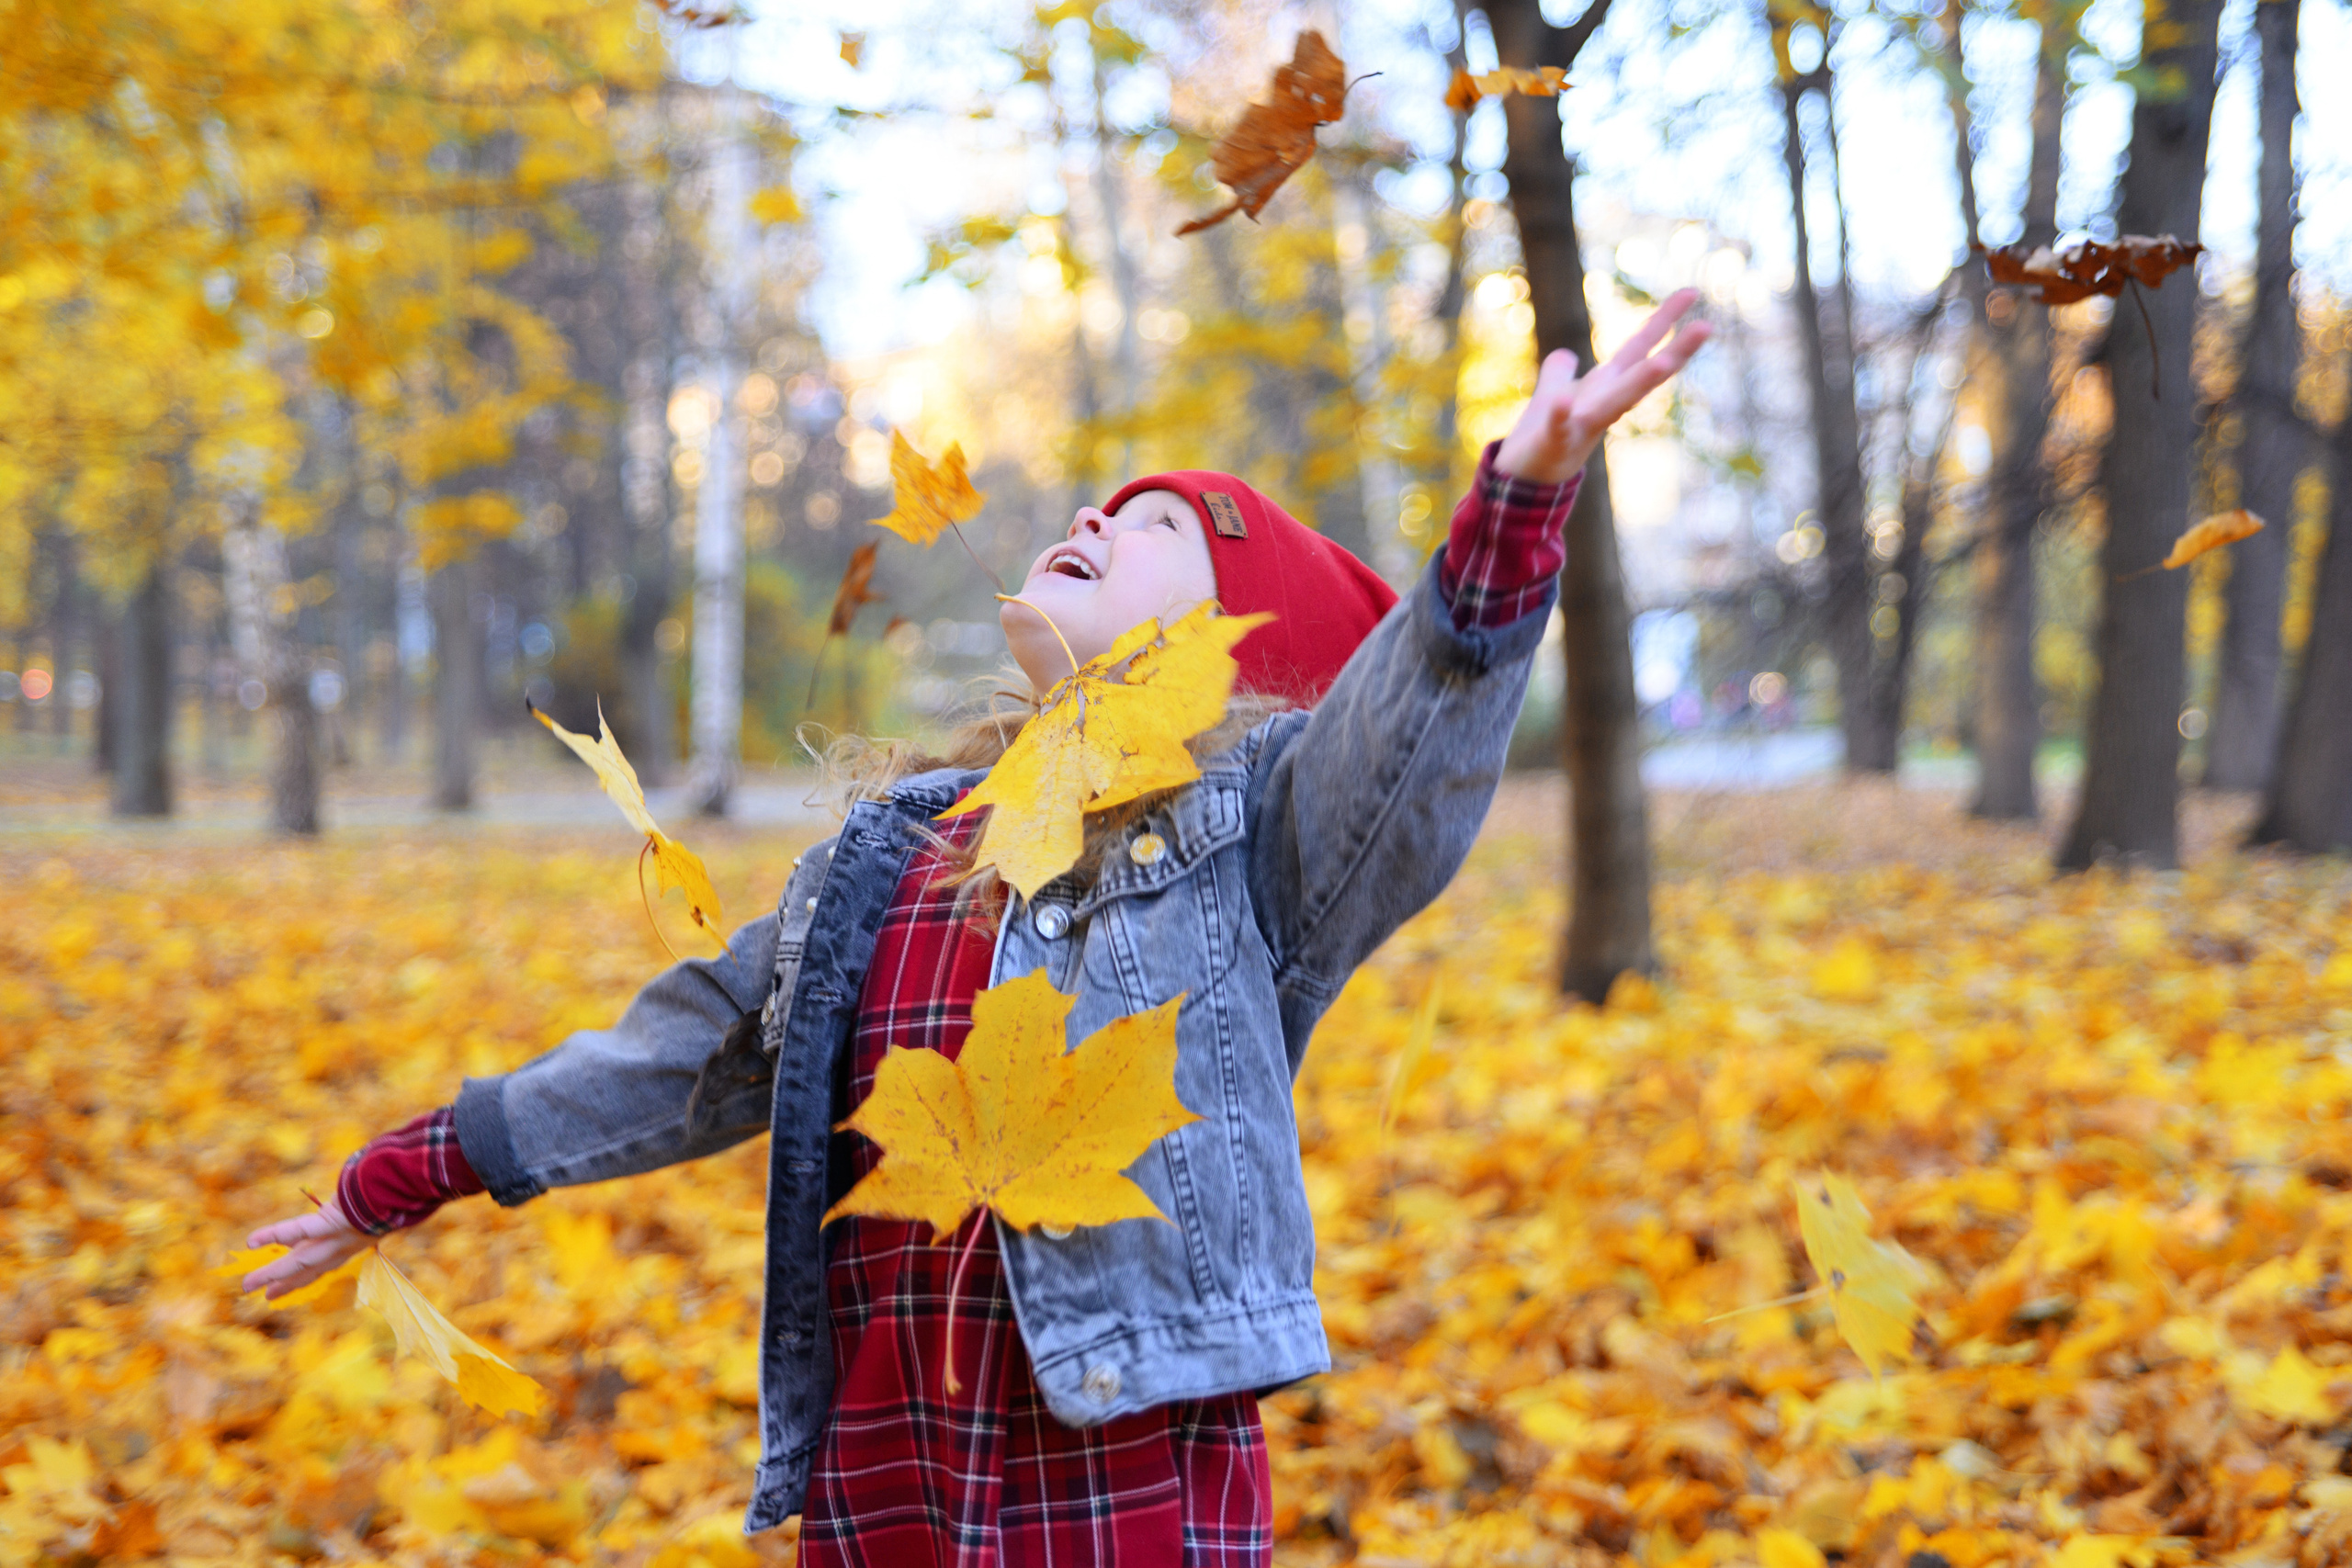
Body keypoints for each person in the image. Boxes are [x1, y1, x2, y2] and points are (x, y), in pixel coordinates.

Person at [243, 291, 1712, 1564]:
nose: (1091, 518)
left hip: (1116, 1482)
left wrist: (1514, 504)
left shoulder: (1255, 841)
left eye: (1154, 531)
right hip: (884, 1481)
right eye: (1100, 506)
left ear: (1242, 650)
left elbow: (1411, 732)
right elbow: (682, 1046)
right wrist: (423, 1163)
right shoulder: (893, 855)